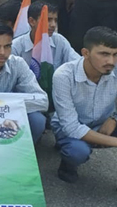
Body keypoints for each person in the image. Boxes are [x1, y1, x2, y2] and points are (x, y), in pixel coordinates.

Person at [51, 26, 117, 183]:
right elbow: (71, 127)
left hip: (104, 122)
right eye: (104, 54)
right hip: (69, 127)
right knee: (77, 151)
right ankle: (67, 164)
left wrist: (114, 118)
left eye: (115, 55)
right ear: (85, 53)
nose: (111, 61)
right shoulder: (64, 75)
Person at [12, 1, 79, 70]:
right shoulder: (16, 46)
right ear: (32, 21)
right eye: (48, 20)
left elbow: (78, 64)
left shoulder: (59, 41)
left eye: (55, 20)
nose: (53, 25)